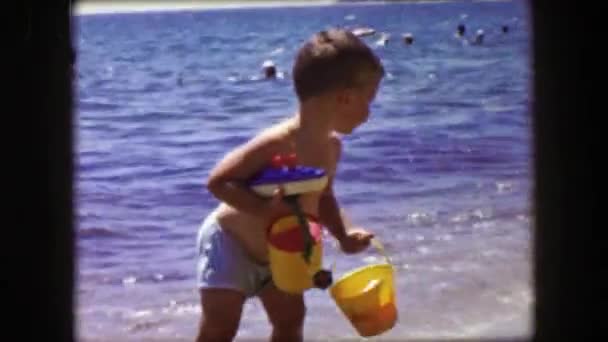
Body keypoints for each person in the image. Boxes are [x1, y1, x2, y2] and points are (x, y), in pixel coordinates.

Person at [196, 28, 385, 342]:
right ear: (345, 97)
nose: (370, 111)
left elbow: (323, 195)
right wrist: (264, 210)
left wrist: (343, 235)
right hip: (231, 243)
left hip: (280, 253)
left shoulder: (331, 148)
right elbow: (218, 182)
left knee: (290, 321)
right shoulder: (279, 142)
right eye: (370, 100)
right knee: (221, 327)